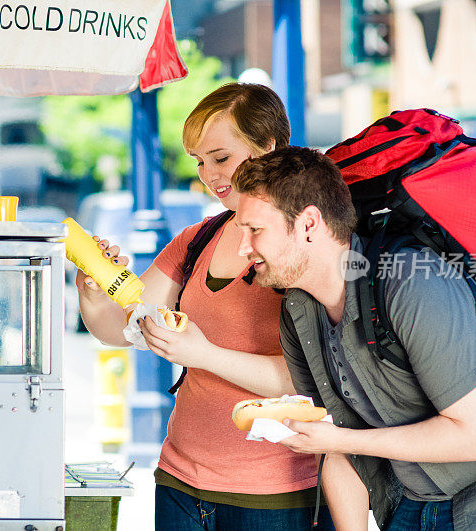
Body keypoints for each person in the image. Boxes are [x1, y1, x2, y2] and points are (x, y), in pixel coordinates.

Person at [230, 145, 476, 530]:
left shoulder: (411, 283)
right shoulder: (298, 312)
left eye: (254, 230)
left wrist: (338, 441)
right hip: (409, 501)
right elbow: (332, 443)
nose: (243, 247)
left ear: (308, 224)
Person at [76, 84, 334, 530]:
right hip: (181, 482)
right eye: (199, 161)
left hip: (277, 495)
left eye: (220, 157)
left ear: (267, 148)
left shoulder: (307, 243)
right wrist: (94, 291)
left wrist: (202, 355)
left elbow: (314, 378)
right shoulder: (197, 240)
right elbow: (124, 328)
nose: (208, 175)